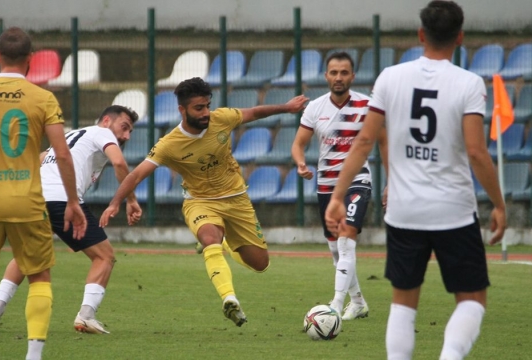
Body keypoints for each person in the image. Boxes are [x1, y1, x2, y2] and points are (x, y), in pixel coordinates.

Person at [324, 2, 507, 359]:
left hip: (405, 212)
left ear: (421, 35)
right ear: (460, 37)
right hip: (453, 210)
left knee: (404, 302)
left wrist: (337, 195)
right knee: (472, 299)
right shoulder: (469, 83)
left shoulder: (391, 77)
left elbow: (363, 141)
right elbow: (476, 152)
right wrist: (499, 204)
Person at [99, 77, 308, 327]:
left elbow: (254, 112)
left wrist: (286, 107)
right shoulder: (169, 144)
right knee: (210, 238)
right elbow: (135, 174)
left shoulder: (222, 118)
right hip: (200, 202)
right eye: (199, 108)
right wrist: (115, 203)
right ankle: (229, 299)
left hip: (237, 200)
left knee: (260, 264)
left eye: (207, 105)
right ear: (182, 110)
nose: (206, 112)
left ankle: (228, 245)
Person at [0, 27, 87, 360]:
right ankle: (33, 355)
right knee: (39, 275)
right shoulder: (43, 98)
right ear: (30, 60)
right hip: (28, 203)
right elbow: (63, 154)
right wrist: (72, 201)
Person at [0, 105, 141, 336]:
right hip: (62, 200)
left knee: (25, 256)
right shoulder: (102, 133)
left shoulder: (70, 135)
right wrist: (130, 199)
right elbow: (120, 164)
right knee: (104, 256)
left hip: (33, 199)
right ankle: (86, 316)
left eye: (130, 132)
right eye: (124, 128)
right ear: (106, 120)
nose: (126, 136)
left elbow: (39, 159)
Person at [291, 51, 372, 321]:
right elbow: (298, 144)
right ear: (326, 76)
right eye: (334, 72)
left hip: (357, 181)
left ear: (353, 76)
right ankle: (358, 301)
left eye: (344, 72)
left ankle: (335, 305)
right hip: (326, 186)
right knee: (336, 250)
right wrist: (301, 163)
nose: (339, 77)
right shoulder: (315, 107)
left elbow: (384, 140)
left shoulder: (367, 105)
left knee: (347, 241)